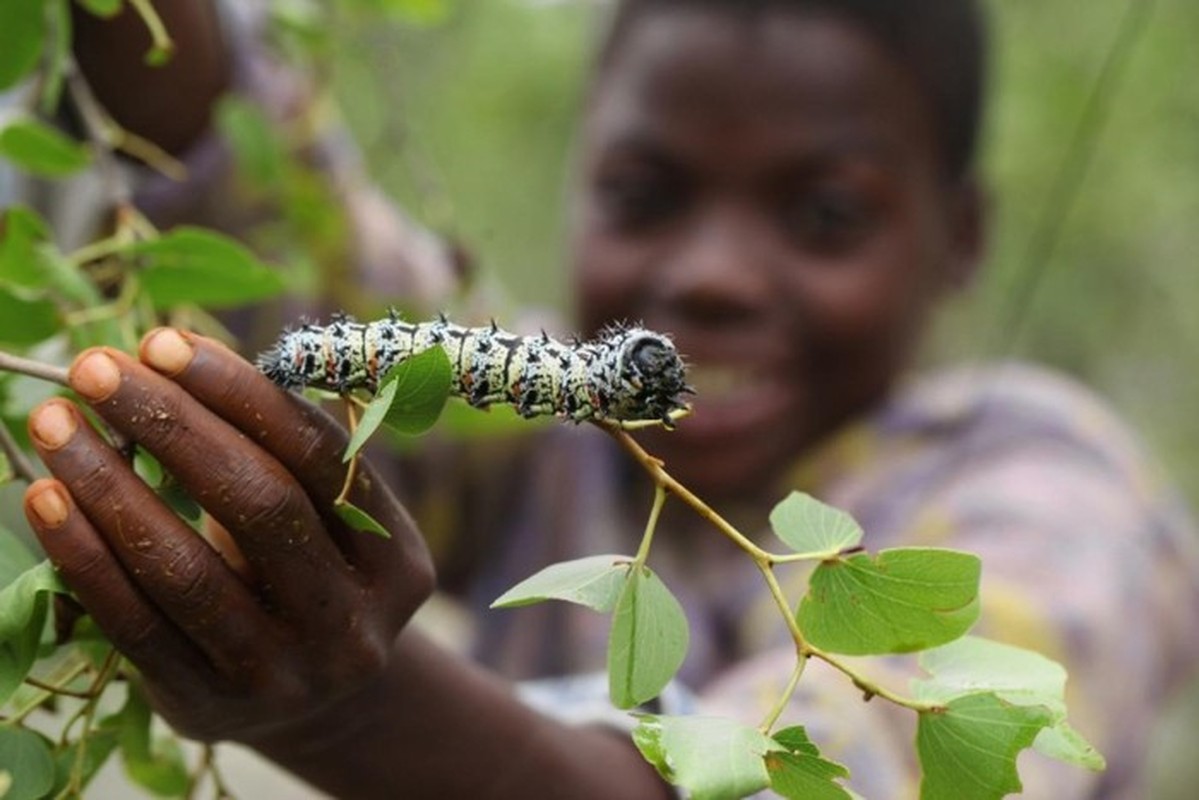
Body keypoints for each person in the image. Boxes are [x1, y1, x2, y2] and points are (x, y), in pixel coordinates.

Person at [15, 0, 1199, 797]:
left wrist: (355, 714)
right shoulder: (559, 434)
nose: (713, 274)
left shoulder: (1055, 497)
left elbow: (815, 773)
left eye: (823, 215)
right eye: (646, 194)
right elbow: (273, 225)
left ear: (961, 237)